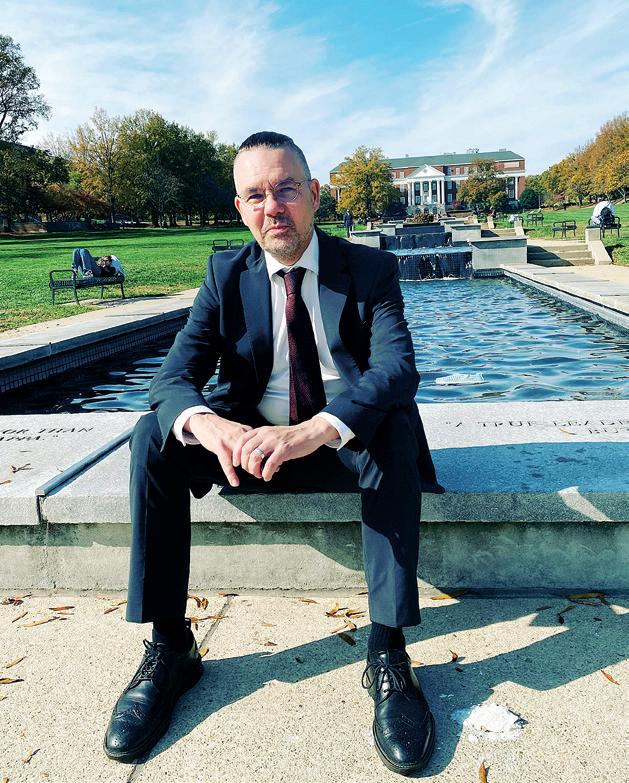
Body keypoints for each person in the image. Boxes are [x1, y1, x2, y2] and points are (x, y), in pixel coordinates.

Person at [103, 132, 444, 775]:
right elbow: (171, 379)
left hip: (340, 445)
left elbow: (398, 370)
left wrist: (317, 428)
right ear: (241, 209)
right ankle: (171, 646)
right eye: (256, 195)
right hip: (252, 445)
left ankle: (388, 650)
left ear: (313, 194)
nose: (273, 207)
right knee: (153, 434)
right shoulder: (225, 275)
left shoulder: (368, 269)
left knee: (393, 425)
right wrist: (211, 427)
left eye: (286, 189)